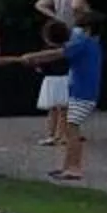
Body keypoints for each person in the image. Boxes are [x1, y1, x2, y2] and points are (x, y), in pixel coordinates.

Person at [38, 4, 104, 180]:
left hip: (83, 94)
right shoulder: (89, 43)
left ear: (88, 30)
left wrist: (32, 57)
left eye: (79, 28)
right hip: (79, 92)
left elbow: (58, 53)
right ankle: (67, 166)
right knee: (69, 130)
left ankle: (74, 167)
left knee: (73, 131)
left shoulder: (83, 44)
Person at [33, 0, 88, 148]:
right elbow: (77, 7)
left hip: (57, 39)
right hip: (71, 39)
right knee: (70, 87)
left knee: (57, 88)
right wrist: (81, 17)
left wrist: (55, 17)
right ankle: (66, 132)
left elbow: (39, 4)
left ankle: (53, 132)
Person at [32, 15, 72, 151]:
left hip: (51, 81)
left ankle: (51, 135)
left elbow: (40, 66)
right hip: (66, 79)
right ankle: (63, 135)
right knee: (64, 110)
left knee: (53, 110)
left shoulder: (46, 51)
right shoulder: (68, 49)